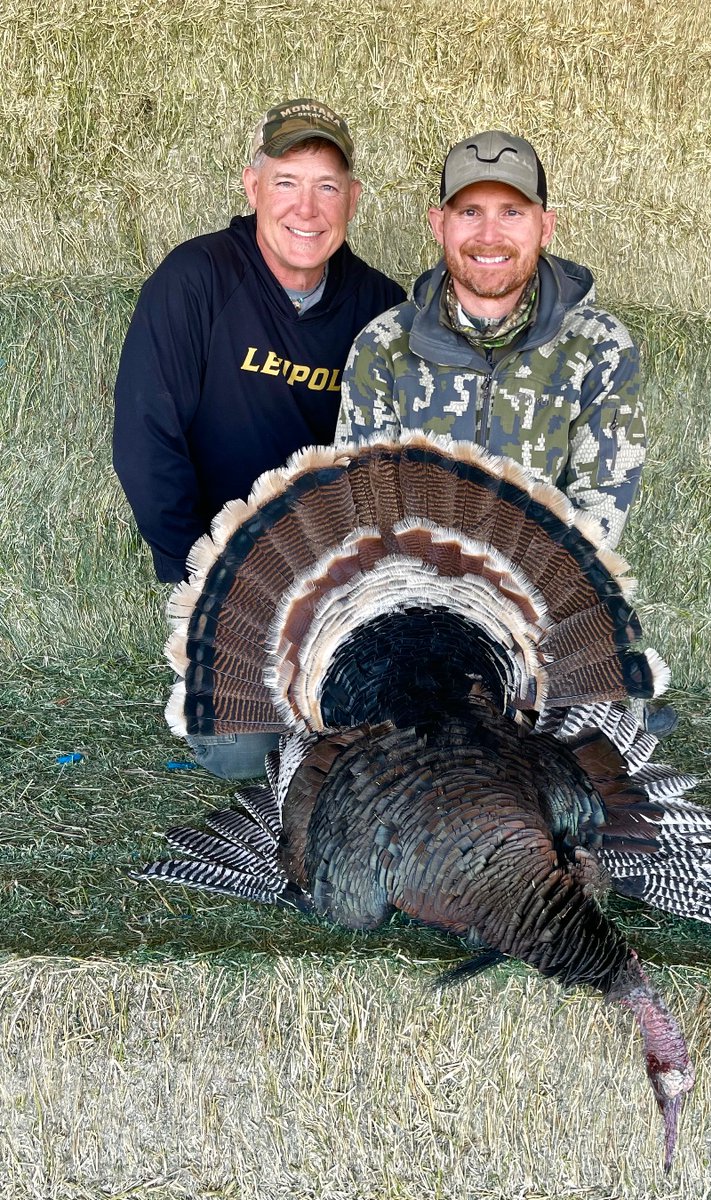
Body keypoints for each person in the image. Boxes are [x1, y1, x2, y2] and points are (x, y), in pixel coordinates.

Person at [113, 98, 405, 778]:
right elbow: (146, 443)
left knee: (381, 741)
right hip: (231, 580)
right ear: (252, 186)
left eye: (327, 186)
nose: (308, 208)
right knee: (240, 756)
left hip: (341, 583)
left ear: (353, 199)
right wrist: (203, 586)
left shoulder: (382, 310)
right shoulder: (196, 280)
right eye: (287, 182)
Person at [336, 130, 646, 549]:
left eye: (512, 213)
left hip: (539, 598)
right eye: (469, 212)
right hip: (412, 589)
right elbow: (364, 509)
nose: (488, 235)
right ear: (438, 224)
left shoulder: (598, 347)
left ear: (546, 227)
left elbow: (594, 527)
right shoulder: (384, 345)